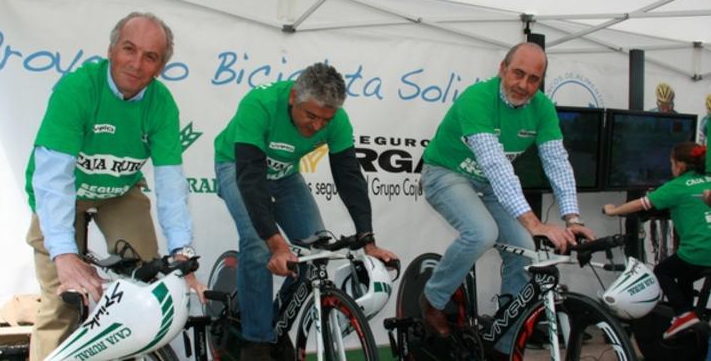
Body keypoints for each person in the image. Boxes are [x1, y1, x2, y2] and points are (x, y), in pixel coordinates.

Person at [24, 12, 206, 360]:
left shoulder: (162, 104)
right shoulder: (78, 88)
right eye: (129, 49)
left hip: (119, 192)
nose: (137, 64)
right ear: (111, 50)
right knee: (61, 301)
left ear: (160, 67)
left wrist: (183, 254)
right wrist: (64, 255)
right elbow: (53, 179)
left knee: (149, 277)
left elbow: (171, 182)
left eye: (150, 56)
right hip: (64, 192)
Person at [418, 42, 595, 356]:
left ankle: (504, 339)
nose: (524, 85)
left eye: (533, 79)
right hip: (446, 173)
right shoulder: (477, 99)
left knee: (525, 251)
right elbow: (495, 163)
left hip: (489, 186)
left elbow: (557, 162)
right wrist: (534, 222)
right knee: (482, 232)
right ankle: (432, 299)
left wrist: (573, 218)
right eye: (518, 73)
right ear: (502, 69)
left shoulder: (542, 108)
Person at [214, 62, 398, 360]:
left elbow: (349, 176)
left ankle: (273, 323)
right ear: (293, 96)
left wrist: (368, 240)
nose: (317, 126)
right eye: (311, 116)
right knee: (259, 247)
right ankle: (256, 341)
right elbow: (249, 177)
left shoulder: (337, 121)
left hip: (285, 175)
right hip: (237, 167)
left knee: (316, 251)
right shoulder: (259, 104)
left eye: (325, 120)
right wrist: (276, 243)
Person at [603, 142, 711, 339]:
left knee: (663, 270)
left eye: (671, 163)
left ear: (679, 165)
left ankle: (683, 315)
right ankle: (687, 317)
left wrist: (613, 211)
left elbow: (641, 204)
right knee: (684, 275)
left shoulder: (676, 187)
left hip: (698, 251)